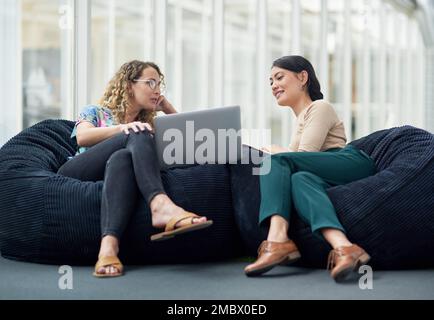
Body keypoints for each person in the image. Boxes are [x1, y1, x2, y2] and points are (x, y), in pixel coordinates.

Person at [58, 60, 212, 277]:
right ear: (129, 85)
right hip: (77, 170)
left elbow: (189, 140)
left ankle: (108, 248)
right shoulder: (97, 112)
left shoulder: (147, 125)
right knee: (137, 132)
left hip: (115, 171)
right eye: (150, 83)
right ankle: (160, 205)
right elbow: (83, 137)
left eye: (159, 85)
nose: (157, 90)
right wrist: (124, 128)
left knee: (122, 157)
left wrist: (166, 107)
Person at [244, 55, 376, 281]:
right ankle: (345, 248)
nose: (274, 85)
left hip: (349, 162)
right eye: (270, 82)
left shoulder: (319, 107)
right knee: (299, 180)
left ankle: (277, 240)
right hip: (322, 172)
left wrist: (277, 152)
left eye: (279, 77)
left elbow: (304, 155)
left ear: (302, 77)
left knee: (275, 161)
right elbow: (299, 165)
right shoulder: (298, 125)